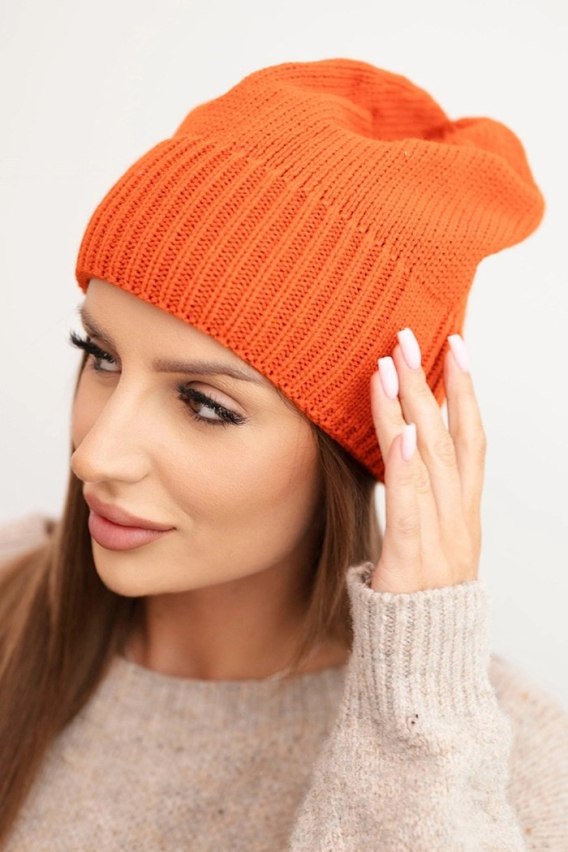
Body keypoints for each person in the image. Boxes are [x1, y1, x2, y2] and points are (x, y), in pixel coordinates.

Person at [0, 57, 566, 851]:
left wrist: (417, 708)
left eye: (205, 404)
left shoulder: (493, 768)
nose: (96, 454)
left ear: (377, 443)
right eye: (100, 355)